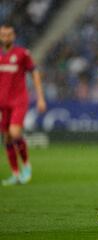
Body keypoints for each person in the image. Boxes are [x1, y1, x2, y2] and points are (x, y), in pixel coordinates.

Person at [0, 23, 46, 186]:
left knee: (14, 132)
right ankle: (15, 173)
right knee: (6, 138)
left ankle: (26, 165)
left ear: (14, 36)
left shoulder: (22, 54)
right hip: (3, 103)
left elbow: (34, 73)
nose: (6, 37)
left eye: (9, 34)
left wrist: (40, 97)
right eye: (3, 35)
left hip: (19, 100)